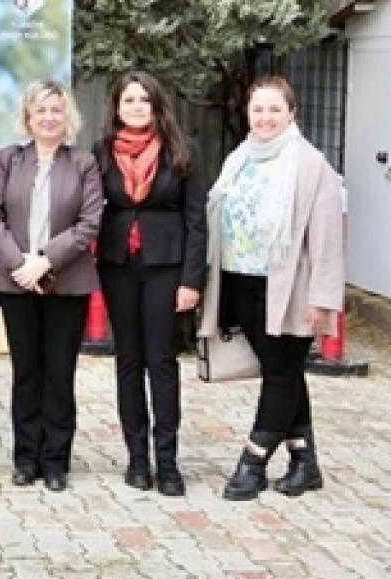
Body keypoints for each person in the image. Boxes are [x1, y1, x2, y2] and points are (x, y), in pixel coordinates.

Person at [199, 75, 343, 501]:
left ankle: (253, 461)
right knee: (284, 372)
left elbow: (327, 239)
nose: (265, 118)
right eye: (258, 109)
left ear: (291, 114)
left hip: (289, 289)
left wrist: (322, 298)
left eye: (274, 110)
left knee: (280, 374)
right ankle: (305, 462)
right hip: (240, 282)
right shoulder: (240, 158)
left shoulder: (311, 166)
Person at [0, 80, 102, 492]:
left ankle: (55, 462)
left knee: (59, 372)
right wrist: (20, 264)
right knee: (26, 372)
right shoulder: (8, 160)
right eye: (41, 111)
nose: (49, 117)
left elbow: (89, 224)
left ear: (66, 116)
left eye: (56, 110)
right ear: (28, 118)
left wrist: (46, 260)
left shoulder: (83, 163)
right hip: (17, 283)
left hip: (66, 283)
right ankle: (25, 459)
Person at [96, 71, 206, 497]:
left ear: (156, 105)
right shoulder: (102, 152)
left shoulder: (182, 150)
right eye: (129, 100)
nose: (137, 107)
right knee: (128, 361)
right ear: (117, 108)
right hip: (118, 266)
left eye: (144, 99)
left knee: (161, 362)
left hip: (167, 268)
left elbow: (197, 220)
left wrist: (191, 280)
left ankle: (168, 462)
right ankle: (137, 460)